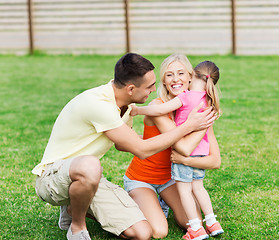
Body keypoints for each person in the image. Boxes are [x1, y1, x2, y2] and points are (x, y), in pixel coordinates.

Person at [31, 53, 216, 240]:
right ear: (130, 89)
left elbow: (124, 144)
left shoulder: (126, 106)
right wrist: (189, 126)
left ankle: (74, 207)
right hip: (54, 176)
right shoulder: (101, 105)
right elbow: (143, 150)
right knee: (90, 166)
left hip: (95, 177)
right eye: (150, 86)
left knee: (145, 232)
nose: (153, 89)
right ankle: (77, 226)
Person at [123, 54, 222, 239]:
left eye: (181, 73)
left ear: (191, 77)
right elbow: (182, 148)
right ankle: (123, 202)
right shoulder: (158, 107)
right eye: (169, 75)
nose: (176, 79)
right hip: (143, 178)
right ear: (164, 81)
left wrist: (203, 123)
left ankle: (161, 202)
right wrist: (195, 125)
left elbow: (215, 161)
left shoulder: (198, 109)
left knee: (193, 221)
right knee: (159, 231)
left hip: (171, 179)